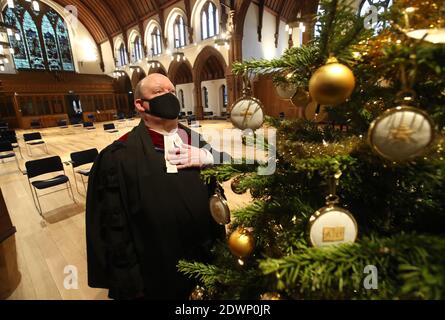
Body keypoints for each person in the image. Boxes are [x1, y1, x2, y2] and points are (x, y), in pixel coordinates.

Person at [86, 73, 226, 300]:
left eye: (172, 91)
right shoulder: (117, 158)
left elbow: (222, 180)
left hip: (206, 257)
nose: (169, 96)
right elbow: (115, 230)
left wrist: (209, 157)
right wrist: (131, 285)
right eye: (160, 92)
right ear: (140, 105)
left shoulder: (195, 139)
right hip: (159, 272)